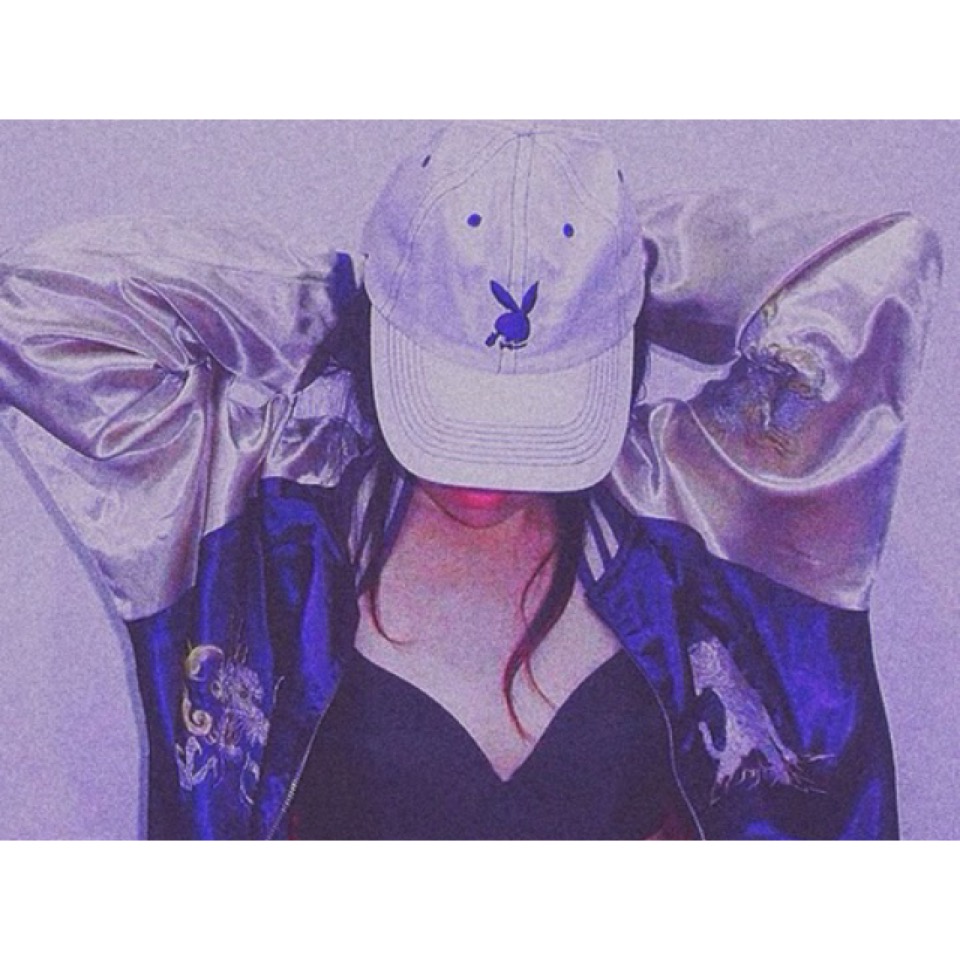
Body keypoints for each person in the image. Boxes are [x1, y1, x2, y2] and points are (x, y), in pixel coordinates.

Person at [0, 122, 941, 839]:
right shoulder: (265, 519)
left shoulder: (697, 506)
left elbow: (878, 267)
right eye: (450, 411)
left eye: (536, 420)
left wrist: (610, 277)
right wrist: (344, 306)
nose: (485, 470)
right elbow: (38, 309)